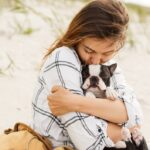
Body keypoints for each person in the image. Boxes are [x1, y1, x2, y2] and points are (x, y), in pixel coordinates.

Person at [32, 0, 143, 149]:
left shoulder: (109, 65)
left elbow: (135, 118)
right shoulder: (63, 58)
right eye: (89, 51)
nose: (96, 61)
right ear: (77, 37)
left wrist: (75, 102)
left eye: (107, 53)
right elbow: (89, 142)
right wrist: (117, 120)